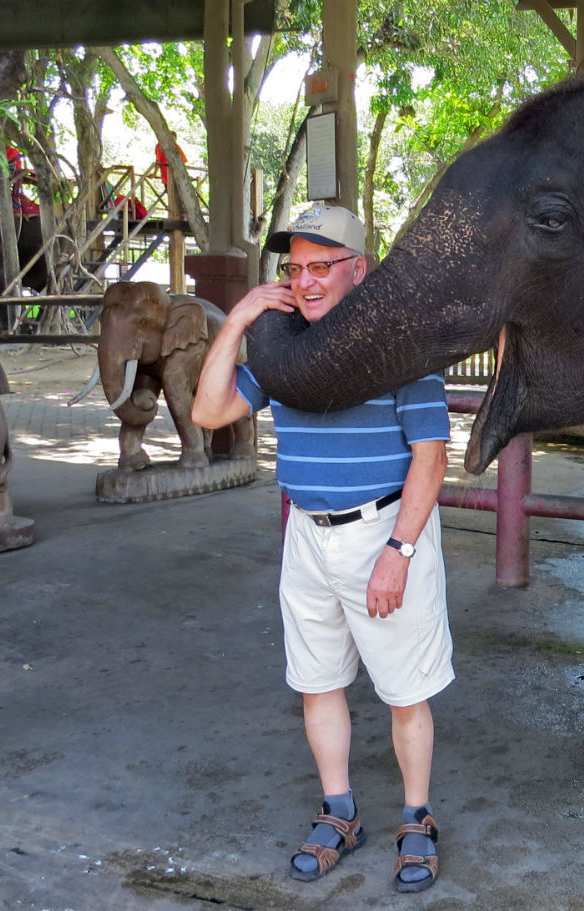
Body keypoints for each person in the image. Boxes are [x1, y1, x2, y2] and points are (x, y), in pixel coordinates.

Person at [192, 204, 453, 893]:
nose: (304, 282)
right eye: (293, 268)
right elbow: (208, 411)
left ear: (357, 270)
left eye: (319, 266)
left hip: (385, 532)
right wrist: (242, 317)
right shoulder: (281, 351)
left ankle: (417, 817)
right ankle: (339, 811)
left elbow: (431, 456)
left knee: (405, 692)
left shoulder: (401, 347)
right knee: (318, 684)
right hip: (307, 536)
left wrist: (399, 549)